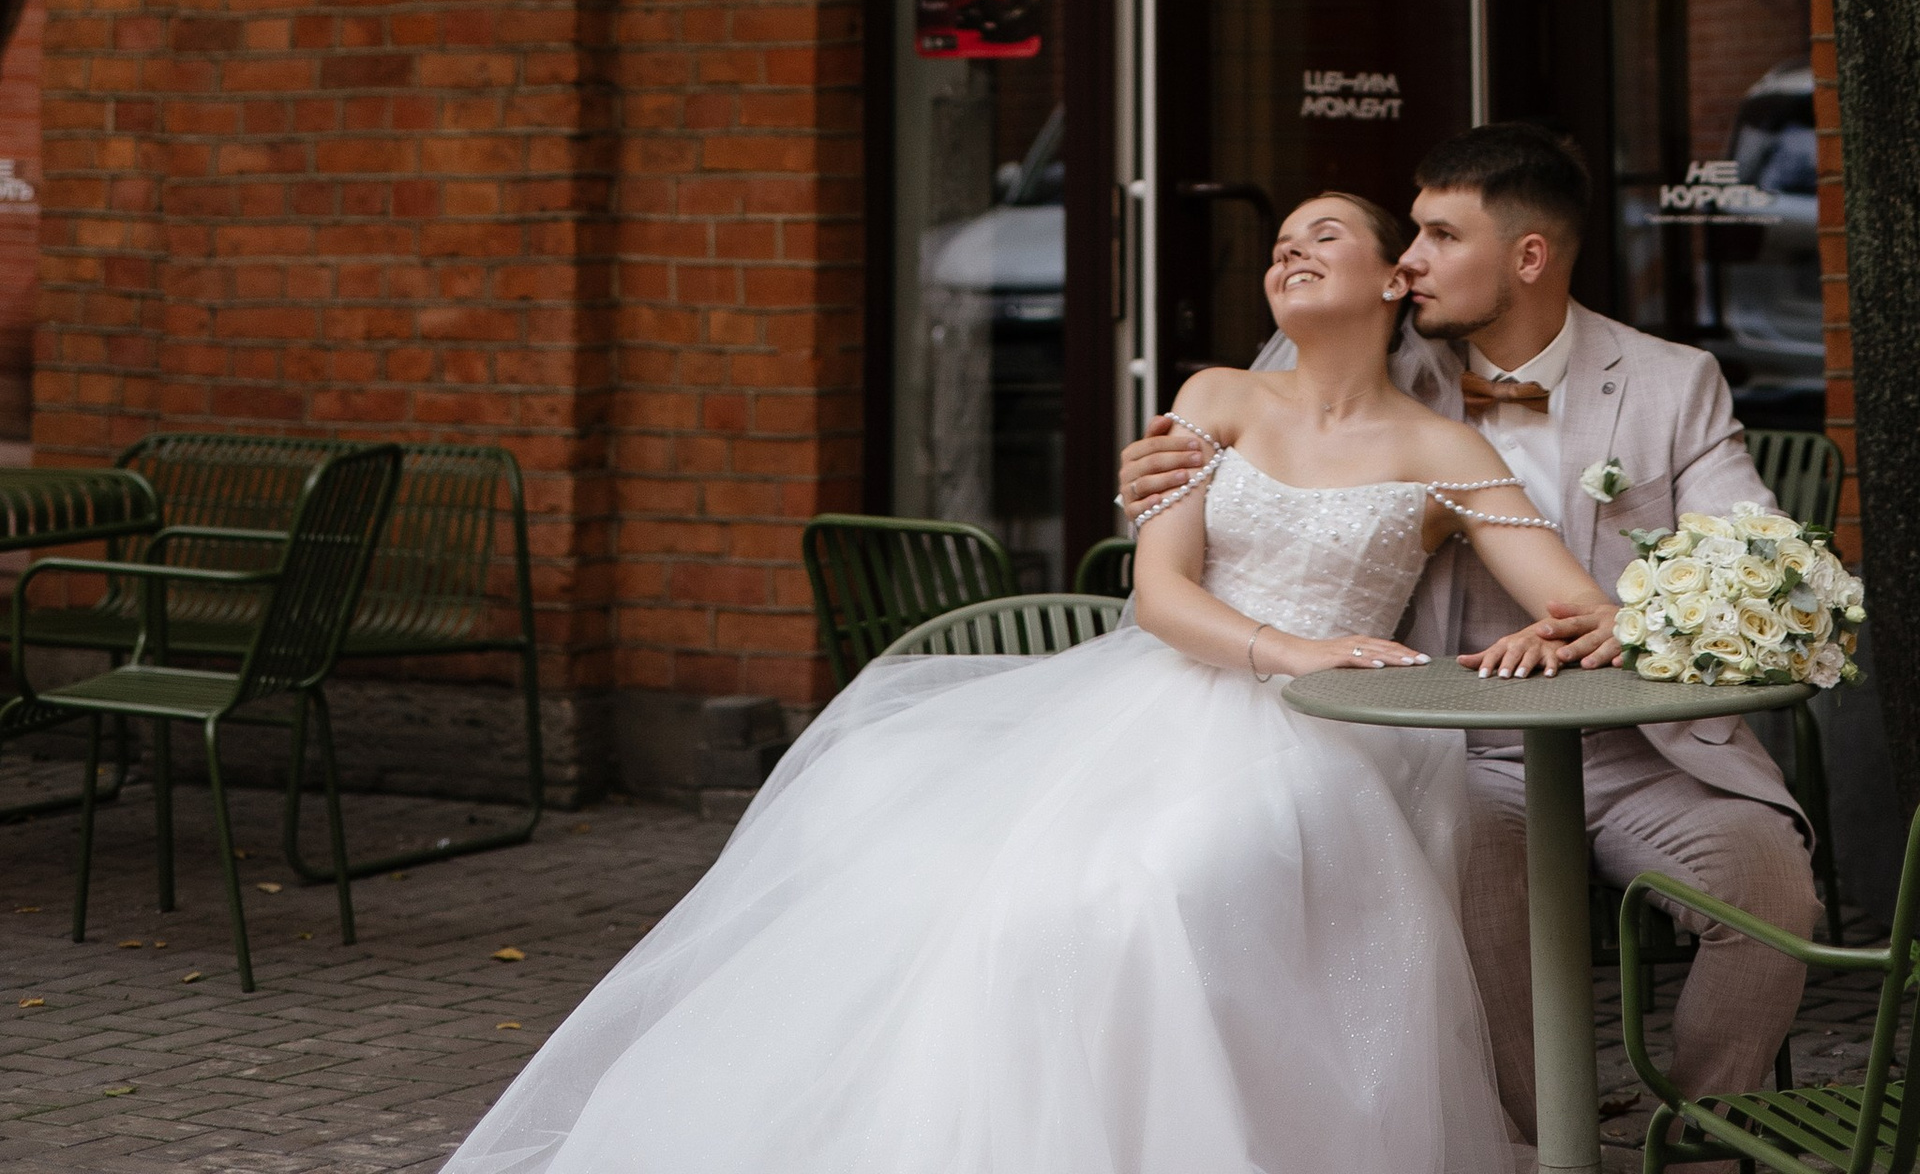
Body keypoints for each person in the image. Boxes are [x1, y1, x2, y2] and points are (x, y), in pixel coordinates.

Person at [445, 190, 1613, 1174]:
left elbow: (1573, 601)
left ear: (1394, 281)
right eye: (1277, 248)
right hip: (1167, 698)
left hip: (1330, 744)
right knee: (1016, 898)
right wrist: (1293, 650)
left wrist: (1558, 634)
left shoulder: (1445, 450)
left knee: (1164, 889)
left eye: (1321, 236)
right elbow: (1161, 593)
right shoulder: (1214, 399)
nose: (1289, 254)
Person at [1117, 123, 1822, 1133]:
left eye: (1439, 237)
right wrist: (1143, 478)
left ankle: (1700, 1141)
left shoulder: (1672, 383)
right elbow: (1249, 508)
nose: (1408, 261)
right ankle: (1541, 1142)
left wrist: (1614, 619)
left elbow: (1765, 563)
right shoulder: (1382, 380)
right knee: (1468, 907)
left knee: (1768, 888)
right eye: (1405, 237)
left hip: (1646, 744)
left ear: (1525, 256)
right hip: (1462, 747)